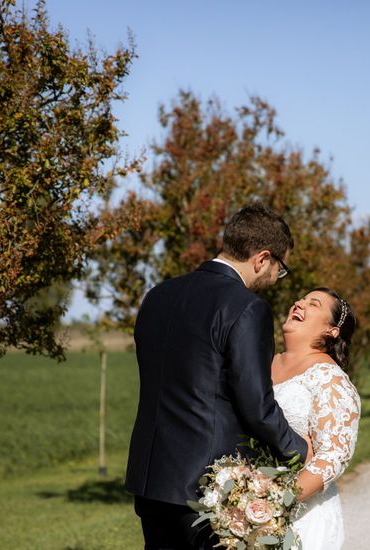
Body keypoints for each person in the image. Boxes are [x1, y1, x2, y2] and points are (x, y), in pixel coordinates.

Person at [126, 204, 312, 550]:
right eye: (280, 269)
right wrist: (299, 450)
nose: (275, 279)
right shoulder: (246, 308)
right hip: (207, 488)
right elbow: (256, 404)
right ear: (262, 258)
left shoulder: (157, 296)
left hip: (150, 479)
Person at [272, 287, 361, 550]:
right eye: (300, 299)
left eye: (314, 304)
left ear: (332, 330)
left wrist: (276, 500)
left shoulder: (330, 379)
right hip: (242, 503)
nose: (299, 303)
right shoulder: (258, 362)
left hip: (303, 517)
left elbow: (333, 457)